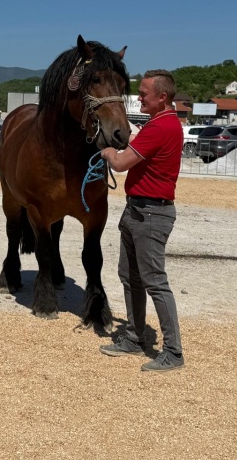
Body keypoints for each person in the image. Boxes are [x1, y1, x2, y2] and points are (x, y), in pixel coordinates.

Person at [98, 69, 185, 372]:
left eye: (144, 93)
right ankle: (134, 338)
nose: (139, 98)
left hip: (150, 213)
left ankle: (173, 352)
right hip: (139, 210)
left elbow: (121, 163)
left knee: (155, 282)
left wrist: (109, 151)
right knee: (131, 277)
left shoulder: (160, 127)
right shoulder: (163, 123)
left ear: (162, 96)